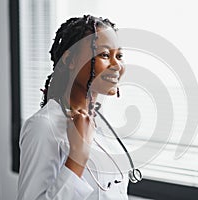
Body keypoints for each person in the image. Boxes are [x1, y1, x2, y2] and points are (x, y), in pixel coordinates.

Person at [17, 15, 129, 200]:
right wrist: (78, 156)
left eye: (119, 56)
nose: (116, 65)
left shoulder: (99, 121)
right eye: (104, 55)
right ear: (70, 60)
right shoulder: (44, 126)